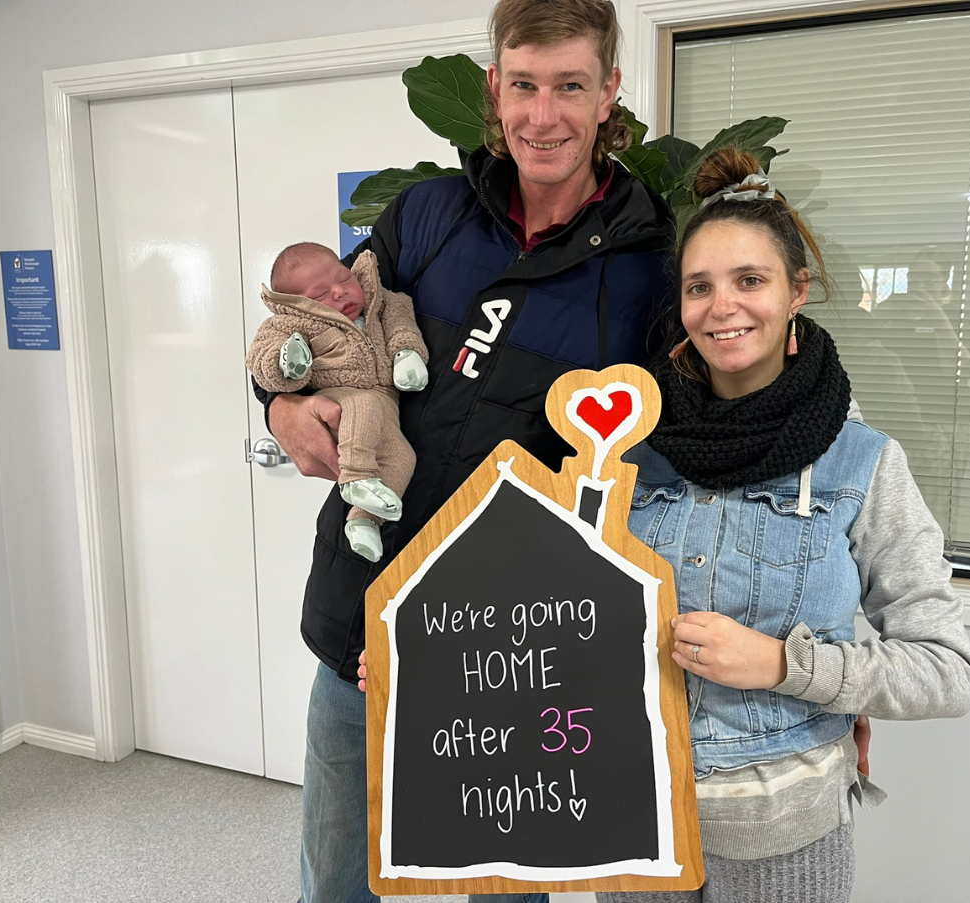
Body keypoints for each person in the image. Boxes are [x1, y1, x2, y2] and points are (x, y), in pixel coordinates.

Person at [255, 2, 674, 901]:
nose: (544, 114)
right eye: (523, 85)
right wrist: (280, 403)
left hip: (506, 661)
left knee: (492, 890)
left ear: (609, 94)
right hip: (360, 628)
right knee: (337, 885)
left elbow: (688, 437)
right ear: (494, 89)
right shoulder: (426, 215)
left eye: (570, 86)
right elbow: (317, 327)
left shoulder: (650, 264)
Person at [599, 147, 970, 903]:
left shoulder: (860, 463)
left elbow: (949, 670)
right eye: (699, 286)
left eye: (751, 280)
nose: (724, 306)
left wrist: (784, 665)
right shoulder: (629, 455)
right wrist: (435, 666)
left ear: (796, 290)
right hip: (630, 814)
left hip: (785, 833)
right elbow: (555, 611)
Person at [247, 243, 429, 561]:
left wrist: (406, 353)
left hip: (387, 399)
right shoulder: (289, 324)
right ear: (296, 304)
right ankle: (355, 477)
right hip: (336, 394)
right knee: (363, 406)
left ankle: (363, 524)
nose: (340, 292)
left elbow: (403, 324)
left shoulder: (380, 303)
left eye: (344, 278)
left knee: (402, 459)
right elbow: (261, 357)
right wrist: (286, 363)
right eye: (320, 295)